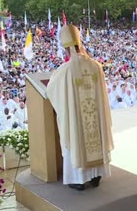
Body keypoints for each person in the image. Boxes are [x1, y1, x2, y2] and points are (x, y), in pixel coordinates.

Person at [46, 24, 114, 191]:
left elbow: (50, 91)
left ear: (66, 48)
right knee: (95, 136)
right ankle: (96, 175)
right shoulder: (96, 66)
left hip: (77, 119)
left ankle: (79, 180)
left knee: (76, 138)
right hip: (95, 117)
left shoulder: (65, 70)